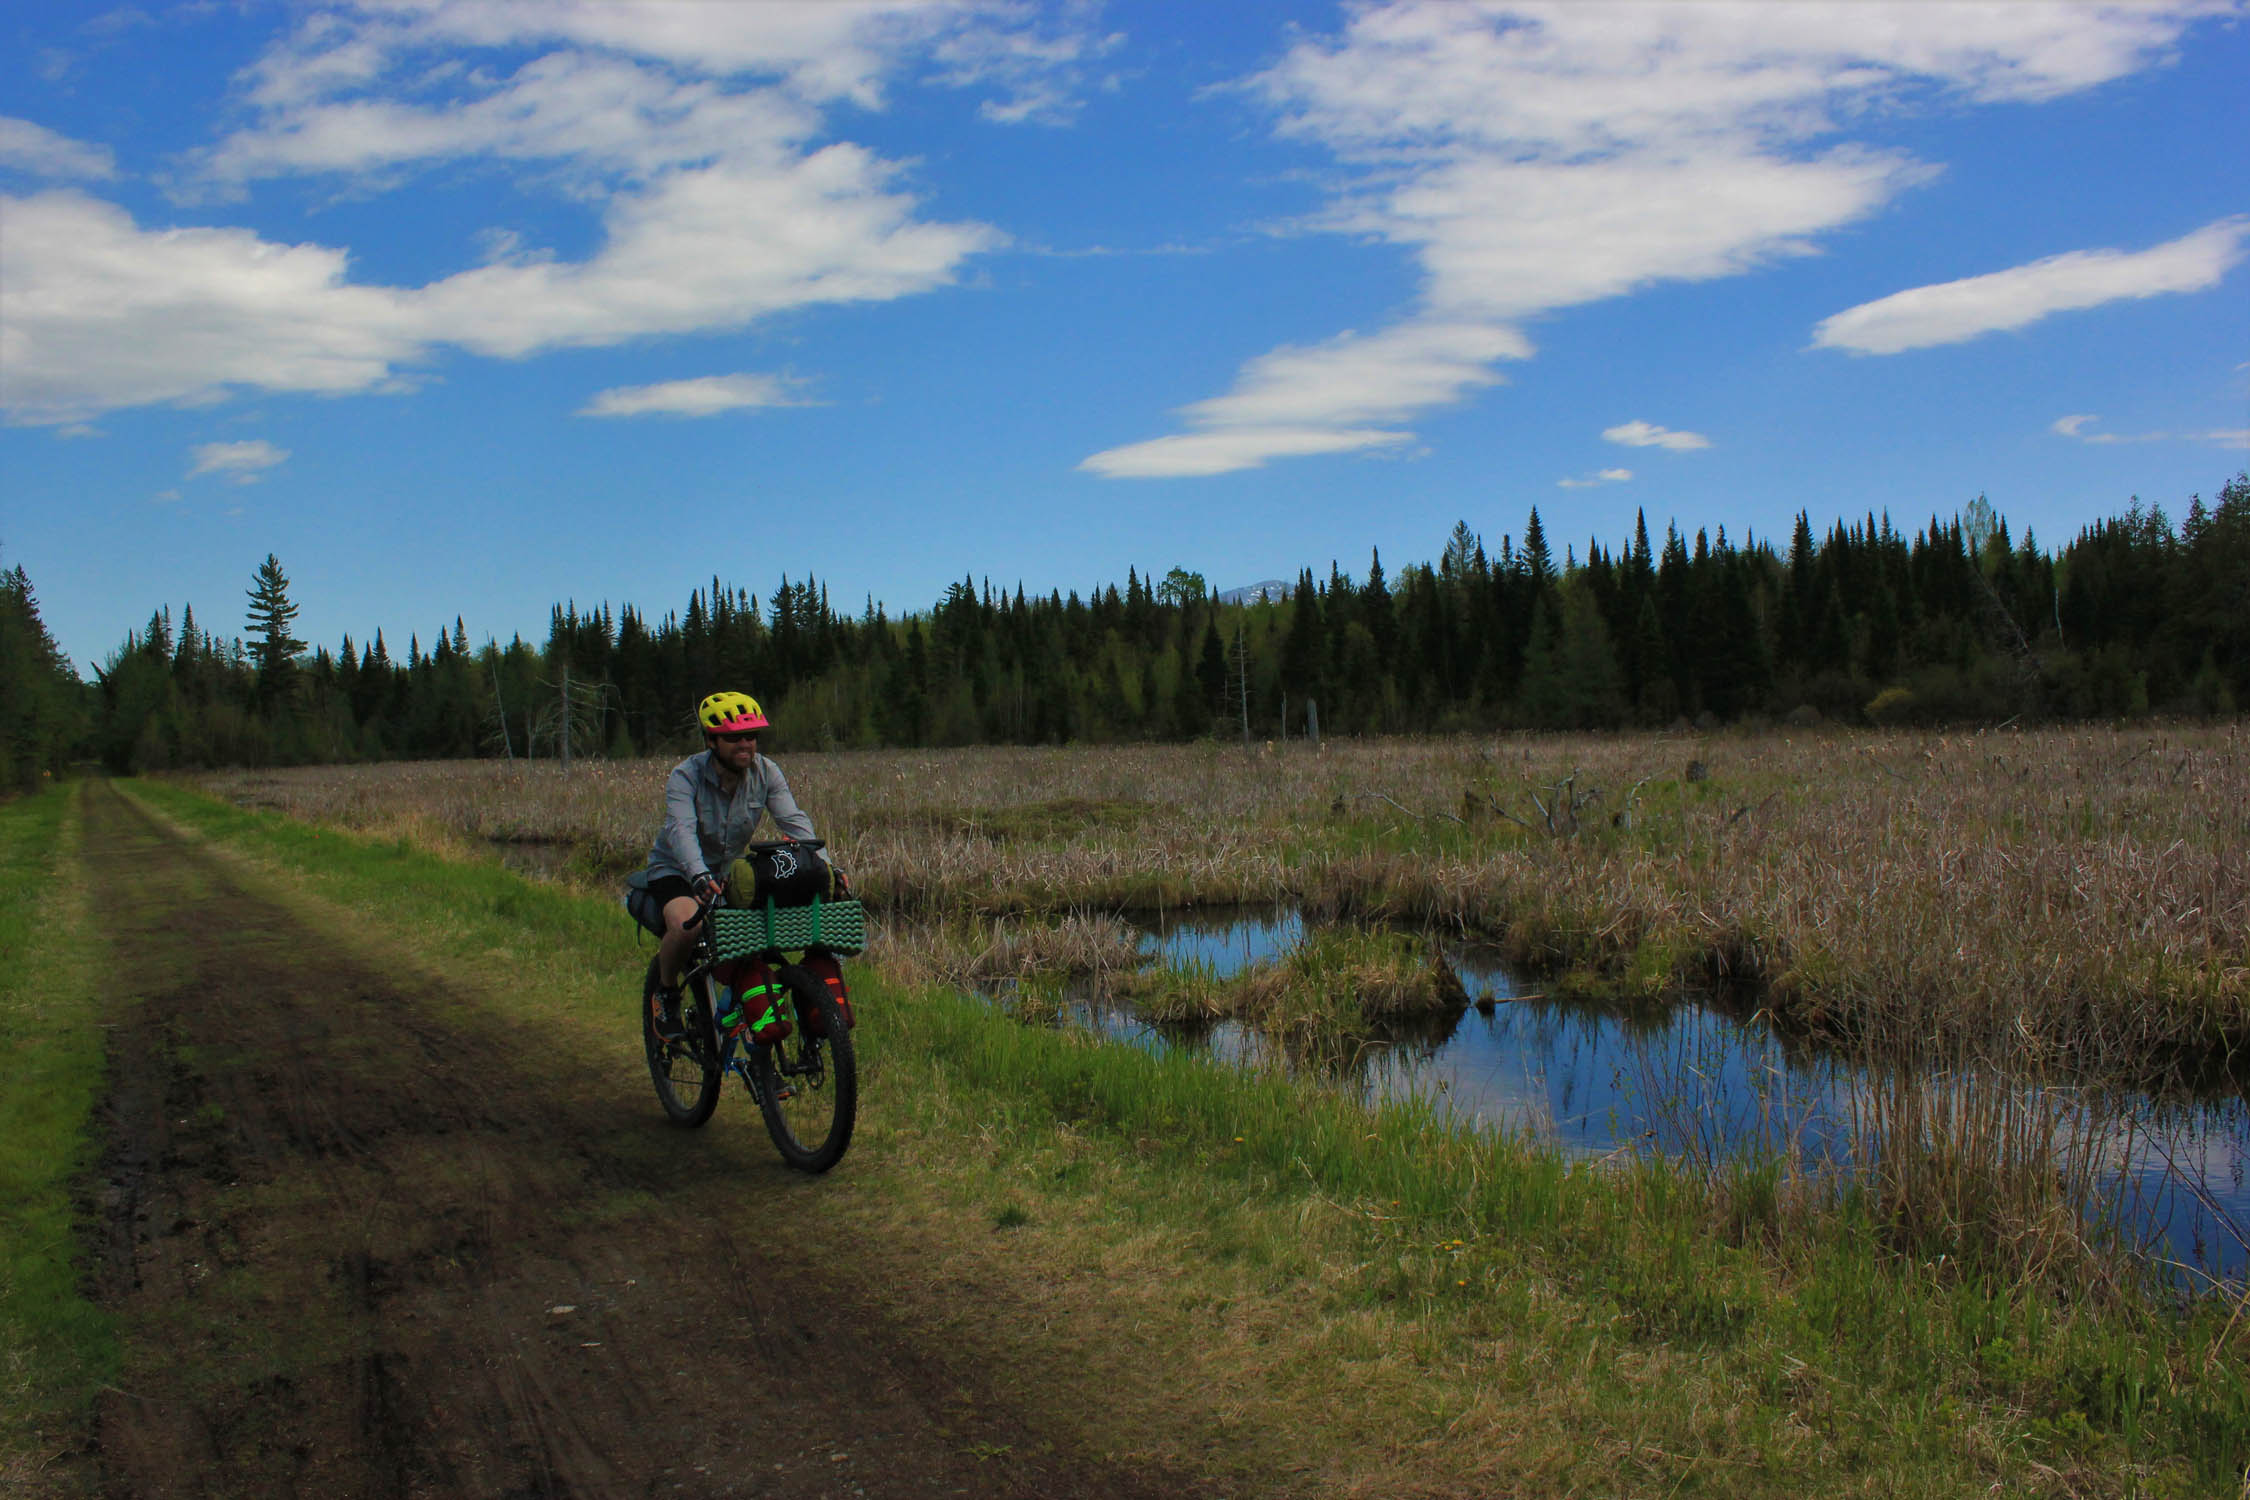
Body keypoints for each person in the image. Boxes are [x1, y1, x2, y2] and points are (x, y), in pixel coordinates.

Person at [640, 690, 820, 1044]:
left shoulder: (767, 772)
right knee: (687, 925)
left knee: (757, 939)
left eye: (751, 736)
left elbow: (794, 822)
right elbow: (681, 831)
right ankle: (666, 994)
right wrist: (698, 874)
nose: (745, 745)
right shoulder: (685, 776)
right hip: (676, 870)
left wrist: (821, 865)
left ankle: (757, 1054)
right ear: (711, 740)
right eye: (734, 737)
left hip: (726, 873)